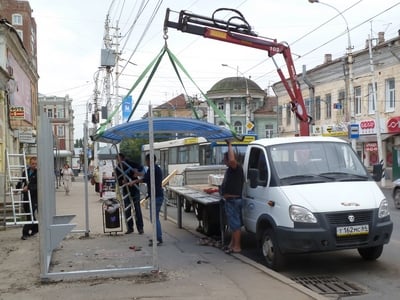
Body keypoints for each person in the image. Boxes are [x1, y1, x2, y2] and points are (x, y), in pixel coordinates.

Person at [131, 154, 164, 246]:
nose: (145, 162)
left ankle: (158, 239)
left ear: (149, 160)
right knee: (154, 218)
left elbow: (145, 179)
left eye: (146, 160)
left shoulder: (153, 169)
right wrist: (138, 175)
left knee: (154, 218)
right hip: (156, 196)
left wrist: (134, 181)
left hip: (156, 196)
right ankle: (158, 237)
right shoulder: (154, 168)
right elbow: (146, 176)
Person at [220, 140, 245, 254]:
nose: (224, 161)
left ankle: (237, 247)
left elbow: (232, 160)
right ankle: (232, 244)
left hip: (234, 200)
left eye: (225, 159)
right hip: (231, 200)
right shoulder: (231, 170)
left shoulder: (236, 167)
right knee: (233, 224)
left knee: (235, 225)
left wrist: (229, 144)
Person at [115, 153, 144, 235]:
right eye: (117, 160)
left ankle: (140, 228)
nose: (118, 161)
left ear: (123, 159)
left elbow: (141, 168)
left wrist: (137, 172)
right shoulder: (117, 168)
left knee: (137, 209)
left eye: (119, 159)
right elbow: (118, 180)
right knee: (127, 209)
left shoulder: (131, 163)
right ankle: (130, 228)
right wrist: (122, 181)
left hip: (134, 188)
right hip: (126, 189)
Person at [16, 157, 38, 240]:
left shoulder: (38, 173)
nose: (34, 165)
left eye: (36, 164)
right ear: (29, 164)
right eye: (33, 164)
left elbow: (38, 185)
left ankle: (25, 233)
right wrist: (17, 188)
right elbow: (21, 181)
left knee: (30, 214)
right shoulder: (26, 172)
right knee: (27, 212)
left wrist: (29, 187)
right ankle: (36, 229)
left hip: (34, 197)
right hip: (26, 196)